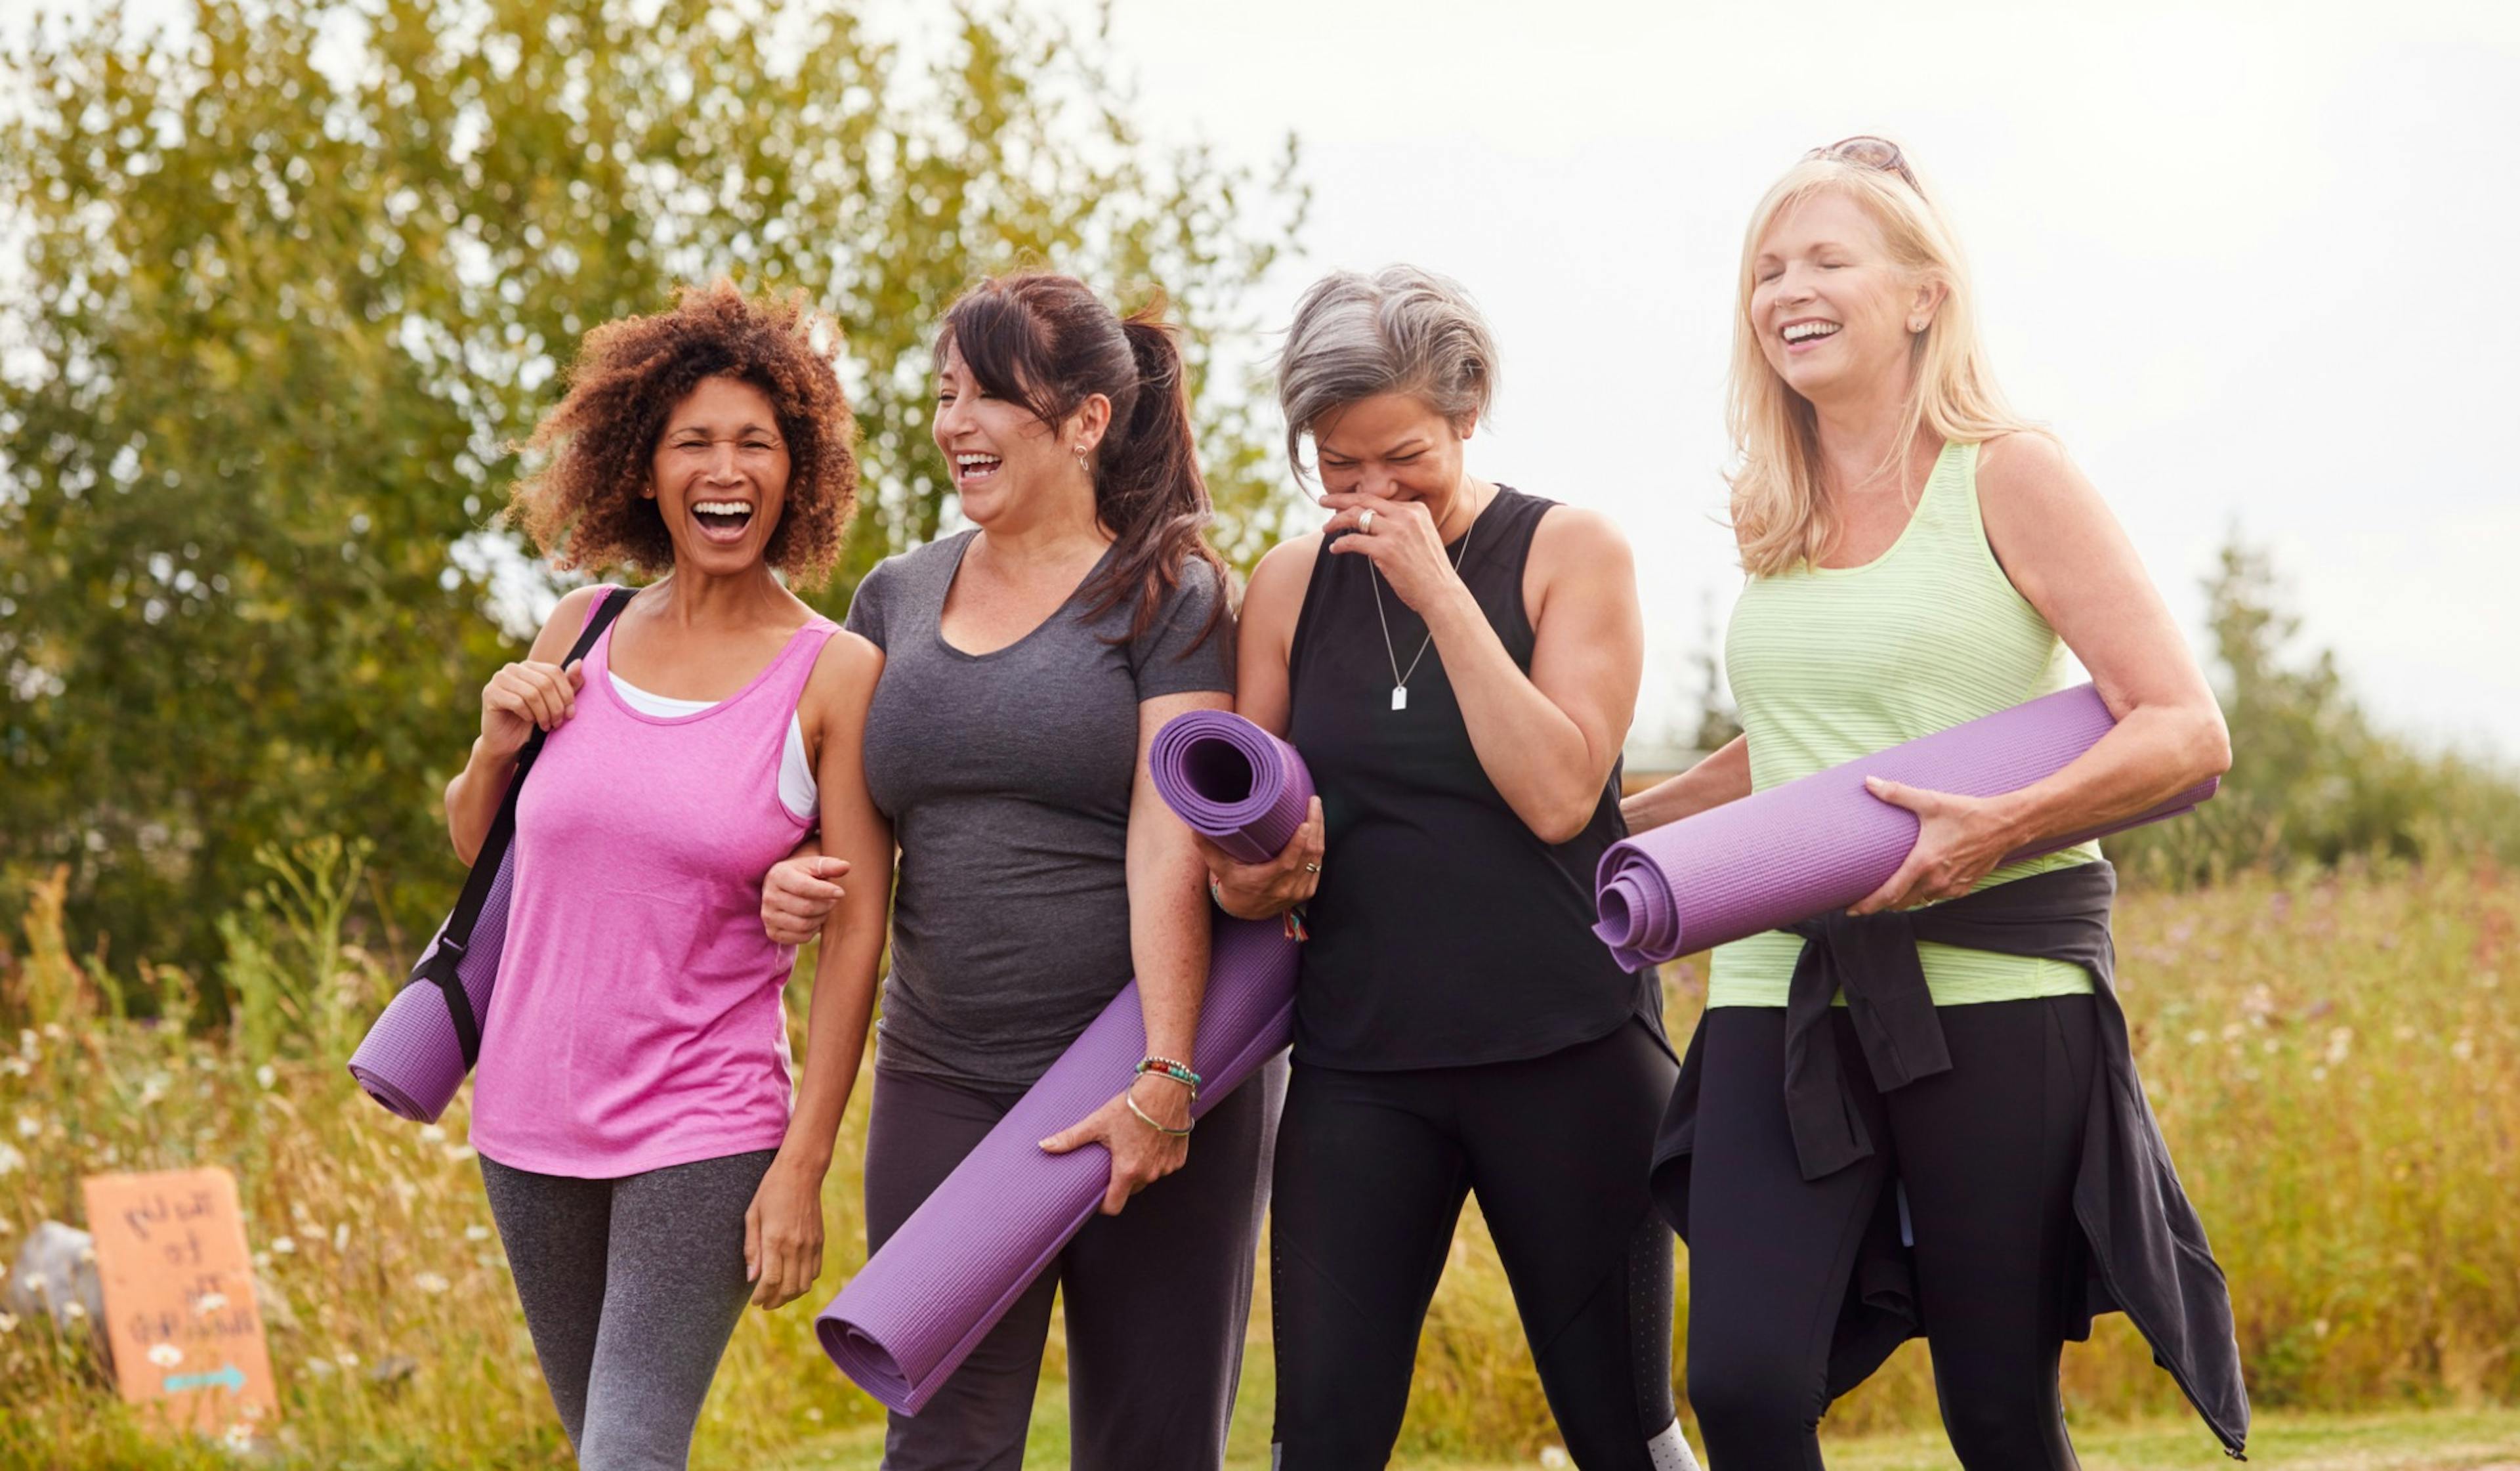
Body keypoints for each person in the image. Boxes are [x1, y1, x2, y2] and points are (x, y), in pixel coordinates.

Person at [1623, 138, 2248, 1468]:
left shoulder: (2008, 471)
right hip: (1778, 989)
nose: (1786, 288)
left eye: (1825, 259)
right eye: (1767, 268)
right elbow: (1804, 742)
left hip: (1994, 995)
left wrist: (2001, 827)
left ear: (1920, 292)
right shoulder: (1773, 506)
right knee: (1741, 1380)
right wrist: (1625, 820)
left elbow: (2184, 730)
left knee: (2000, 1411)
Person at [766, 272, 1277, 1471]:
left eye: (991, 394)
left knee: (1146, 1447)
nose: (955, 423)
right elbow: (856, 841)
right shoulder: (892, 596)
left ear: (1088, 420)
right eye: (946, 393)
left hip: (1130, 1067)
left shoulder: (1171, 592)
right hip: (944, 1073)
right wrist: (791, 877)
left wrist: (1167, 1070)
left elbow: (1172, 836)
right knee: (941, 1443)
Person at [1198, 266, 1696, 1471]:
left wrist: (1437, 589)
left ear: (1468, 413)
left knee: (1623, 1431)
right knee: (1318, 1437)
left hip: (1570, 1053)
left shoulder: (1571, 551)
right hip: (1364, 1071)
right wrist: (1253, 876)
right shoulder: (1286, 585)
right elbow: (1239, 845)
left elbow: (1560, 789)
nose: (1370, 493)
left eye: (1402, 456)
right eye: (1339, 465)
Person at [444, 280, 892, 1469]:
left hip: (704, 1121)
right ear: (644, 471)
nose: (724, 466)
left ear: (797, 475)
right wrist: (494, 739)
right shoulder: (579, 629)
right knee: (603, 1439)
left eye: (757, 441)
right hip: (527, 1117)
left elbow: (857, 935)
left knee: (626, 1452)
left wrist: (803, 1162)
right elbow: (479, 851)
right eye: (693, 440)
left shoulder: (833, 673)